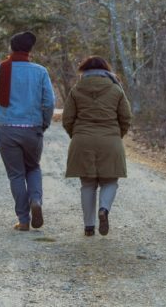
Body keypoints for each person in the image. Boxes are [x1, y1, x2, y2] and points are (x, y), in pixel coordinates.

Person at [0, 32, 55, 231]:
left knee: (16, 175)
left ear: (11, 48)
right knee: (33, 167)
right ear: (30, 50)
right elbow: (49, 102)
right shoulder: (40, 71)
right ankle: (36, 200)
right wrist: (44, 123)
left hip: (7, 129)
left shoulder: (1, 69)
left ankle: (23, 219)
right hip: (32, 128)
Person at [62, 56, 132, 236]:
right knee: (110, 180)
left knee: (87, 184)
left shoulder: (76, 89)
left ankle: (89, 226)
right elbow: (126, 117)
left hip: (82, 139)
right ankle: (104, 209)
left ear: (84, 71)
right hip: (110, 139)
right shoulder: (116, 89)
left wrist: (76, 134)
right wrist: (117, 135)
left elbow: (67, 119)